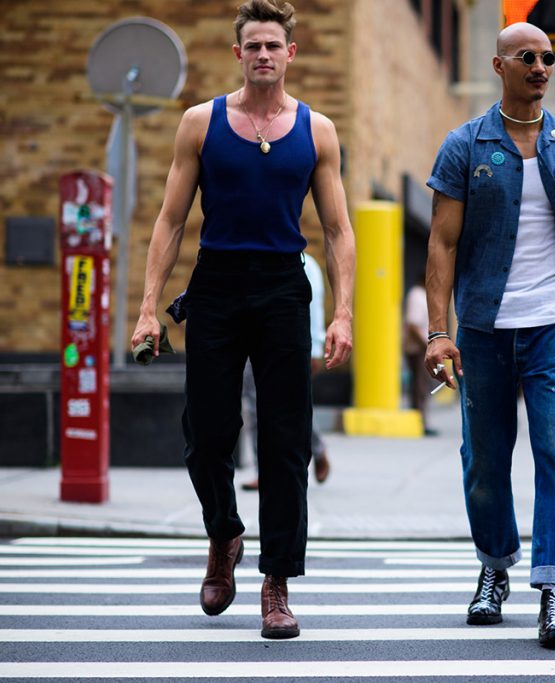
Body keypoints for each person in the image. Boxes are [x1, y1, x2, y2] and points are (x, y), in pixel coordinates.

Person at [129, 0, 355, 640]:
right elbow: (171, 221)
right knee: (206, 434)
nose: (262, 55)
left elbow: (338, 230)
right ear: (238, 54)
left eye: (272, 46)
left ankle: (276, 582)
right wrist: (149, 308)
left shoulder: (318, 131)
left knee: (287, 444)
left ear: (290, 53)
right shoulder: (201, 124)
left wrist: (342, 314)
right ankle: (224, 532)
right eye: (252, 45)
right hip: (216, 288)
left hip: (285, 288)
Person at [424, 22, 555, 650]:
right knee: (484, 462)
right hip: (485, 328)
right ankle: (495, 564)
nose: (541, 66)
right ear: (499, 65)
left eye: (547, 58)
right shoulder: (465, 144)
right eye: (527, 57)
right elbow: (442, 242)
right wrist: (440, 332)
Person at [241, 251, 332, 491]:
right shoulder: (250, 257)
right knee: (254, 407)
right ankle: (262, 470)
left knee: (291, 407)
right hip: (252, 341)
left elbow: (314, 310)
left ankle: (317, 448)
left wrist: (315, 348)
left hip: (293, 344)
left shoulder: (305, 264)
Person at [403, 272, 436, 435]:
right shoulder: (417, 296)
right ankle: (419, 422)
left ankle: (419, 420)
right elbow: (413, 325)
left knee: (421, 385)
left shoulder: (422, 295)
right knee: (421, 386)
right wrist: (427, 344)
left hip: (421, 348)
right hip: (418, 349)